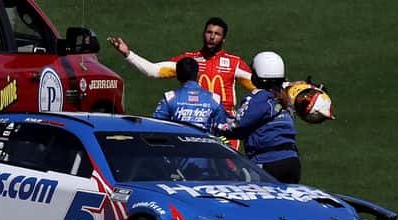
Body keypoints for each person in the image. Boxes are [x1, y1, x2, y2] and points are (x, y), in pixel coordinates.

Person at [107, 17, 254, 149]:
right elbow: (153, 70)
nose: (212, 37)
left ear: (223, 39)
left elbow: (258, 87)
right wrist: (128, 54)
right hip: (195, 125)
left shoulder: (234, 63)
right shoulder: (188, 61)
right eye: (209, 32)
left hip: (224, 128)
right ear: (203, 34)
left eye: (217, 34)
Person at [221, 51, 301, 183]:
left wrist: (217, 127)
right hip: (292, 162)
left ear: (257, 76)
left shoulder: (257, 97)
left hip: (267, 163)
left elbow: (238, 126)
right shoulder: (287, 98)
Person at [153, 57, 228, 134]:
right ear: (198, 74)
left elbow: (157, 127)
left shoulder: (169, 98)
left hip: (178, 145)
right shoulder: (215, 99)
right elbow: (222, 130)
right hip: (205, 145)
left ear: (177, 76)